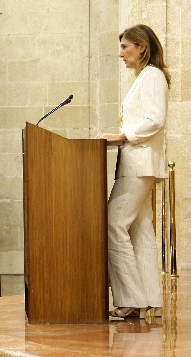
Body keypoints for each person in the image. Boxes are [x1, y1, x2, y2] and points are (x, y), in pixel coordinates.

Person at [96, 24, 170, 318]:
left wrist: (123, 136)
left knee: (113, 224)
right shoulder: (145, 77)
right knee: (140, 230)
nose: (121, 53)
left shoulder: (151, 75)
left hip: (138, 163)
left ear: (142, 47)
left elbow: (155, 120)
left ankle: (130, 298)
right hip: (138, 162)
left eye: (126, 47)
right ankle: (148, 296)